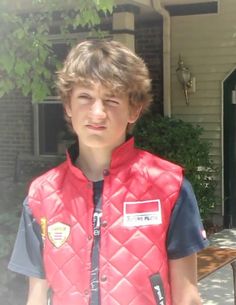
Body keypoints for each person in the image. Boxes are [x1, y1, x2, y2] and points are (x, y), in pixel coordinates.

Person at [8, 39, 208, 305]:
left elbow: (188, 297)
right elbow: (36, 295)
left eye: (111, 100)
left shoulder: (169, 187)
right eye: (85, 97)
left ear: (134, 109)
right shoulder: (42, 195)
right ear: (68, 105)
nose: (98, 113)